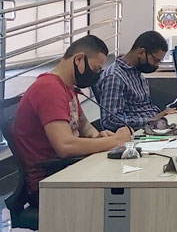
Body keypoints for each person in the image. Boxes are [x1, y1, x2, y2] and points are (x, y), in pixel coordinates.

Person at [12, 35, 132, 197]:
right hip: (51, 182)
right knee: (126, 192)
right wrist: (115, 141)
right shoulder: (49, 89)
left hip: (70, 169)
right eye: (96, 69)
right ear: (79, 59)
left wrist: (98, 136)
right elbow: (65, 146)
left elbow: (84, 125)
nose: (97, 75)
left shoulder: (68, 87)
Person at [97, 31, 177, 131]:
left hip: (153, 128)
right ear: (141, 53)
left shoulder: (136, 73)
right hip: (137, 133)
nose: (157, 65)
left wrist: (161, 115)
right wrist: (152, 120)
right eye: (155, 60)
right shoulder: (114, 77)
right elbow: (110, 120)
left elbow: (145, 107)